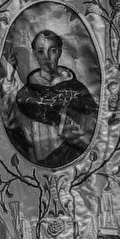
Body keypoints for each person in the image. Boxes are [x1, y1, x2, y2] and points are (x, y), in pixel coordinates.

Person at [8, 29, 100, 168]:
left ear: (60, 52)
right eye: (41, 51)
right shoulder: (26, 94)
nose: (46, 57)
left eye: (52, 51)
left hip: (73, 160)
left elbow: (95, 124)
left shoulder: (76, 89)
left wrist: (79, 132)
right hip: (38, 161)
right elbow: (13, 123)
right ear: (34, 54)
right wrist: (9, 78)